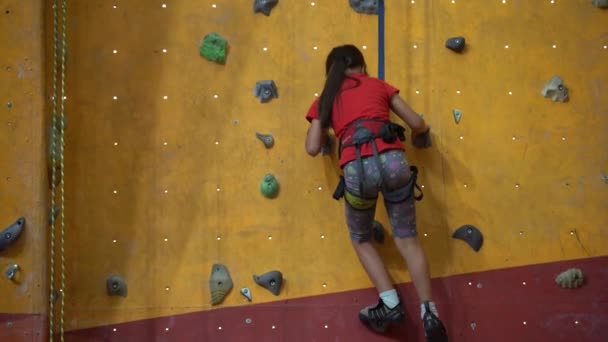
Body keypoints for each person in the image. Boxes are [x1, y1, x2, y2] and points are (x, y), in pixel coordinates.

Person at [304, 44, 448, 341]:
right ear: (363, 65)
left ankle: (390, 303)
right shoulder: (377, 85)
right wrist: (421, 136)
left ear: (331, 71)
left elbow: (312, 147)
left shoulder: (325, 100)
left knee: (361, 237)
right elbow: (417, 123)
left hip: (358, 170)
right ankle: (429, 312)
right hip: (395, 162)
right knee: (407, 239)